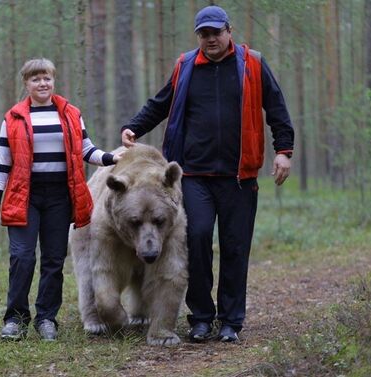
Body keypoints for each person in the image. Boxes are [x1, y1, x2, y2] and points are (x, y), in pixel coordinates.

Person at [121, 5, 294, 343]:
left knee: (234, 246)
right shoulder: (186, 65)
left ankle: (231, 321)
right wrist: (134, 127)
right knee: (196, 240)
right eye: (204, 34)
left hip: (239, 176)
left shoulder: (253, 64)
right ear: (198, 36)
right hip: (194, 174)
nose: (211, 39)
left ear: (229, 31)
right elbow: (161, 102)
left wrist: (284, 151)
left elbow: (277, 108)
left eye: (216, 32)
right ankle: (200, 317)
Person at [0, 58, 121, 341]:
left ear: (53, 80)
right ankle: (15, 319)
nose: (42, 83)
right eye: (36, 79)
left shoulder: (71, 114)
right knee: (22, 257)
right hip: (25, 194)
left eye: (46, 78)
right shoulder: (13, 118)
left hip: (60, 195)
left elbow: (87, 150)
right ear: (26, 84)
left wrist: (111, 158)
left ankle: (47, 318)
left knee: (53, 259)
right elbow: (3, 163)